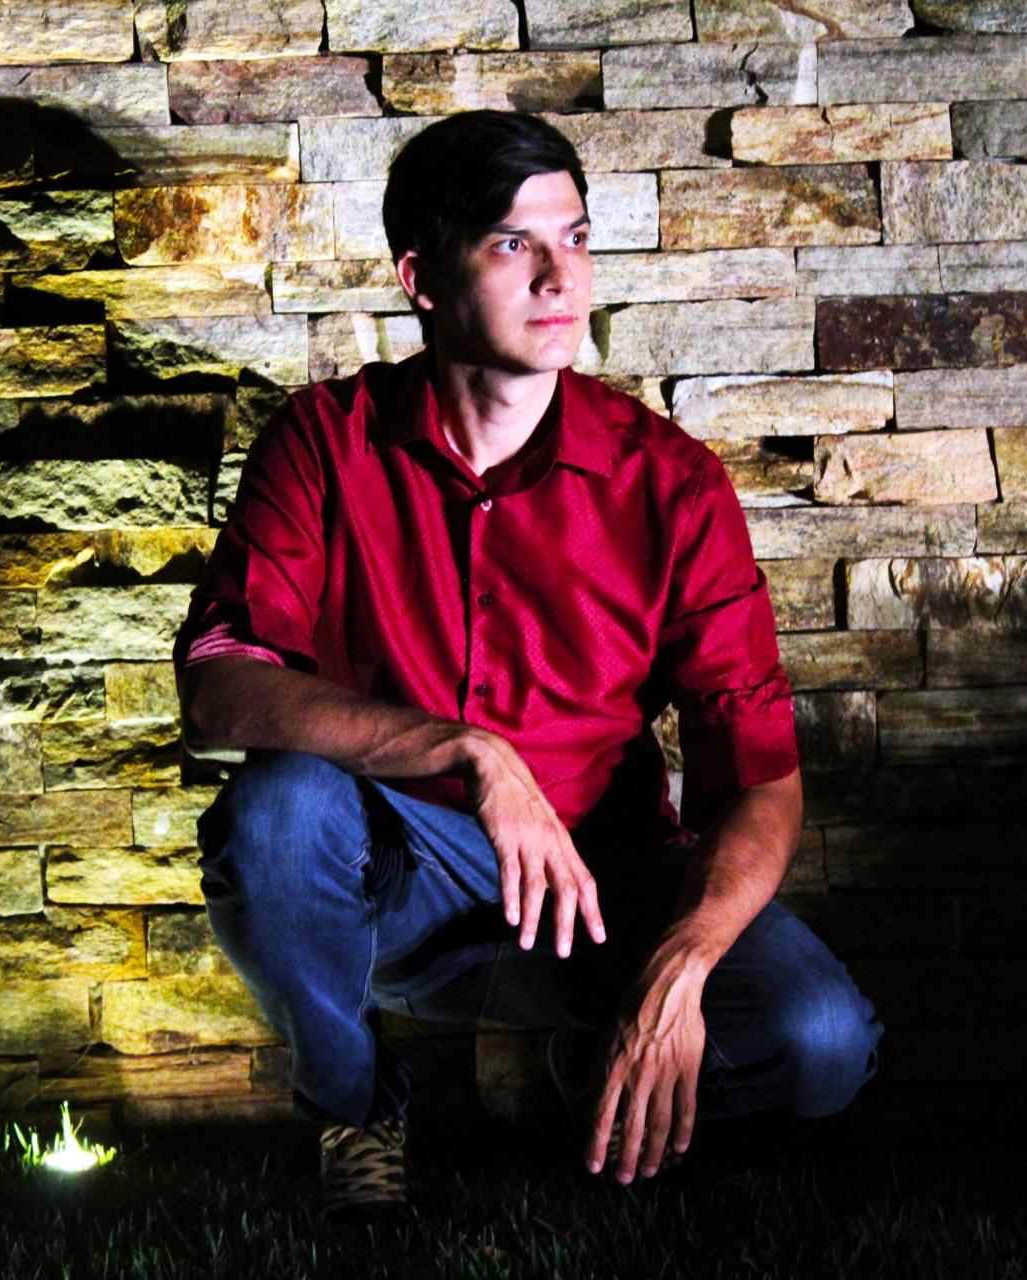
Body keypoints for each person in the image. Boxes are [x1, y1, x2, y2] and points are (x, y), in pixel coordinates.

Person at [174, 109, 884, 1219]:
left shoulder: (670, 483)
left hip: (606, 885)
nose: (561, 277)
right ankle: (357, 1108)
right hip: (396, 875)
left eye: (577, 238)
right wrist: (467, 751)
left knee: (822, 1039)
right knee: (276, 812)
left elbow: (758, 777)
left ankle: (600, 1071)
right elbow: (219, 681)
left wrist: (684, 962)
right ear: (421, 278)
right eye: (514, 243)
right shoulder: (323, 439)